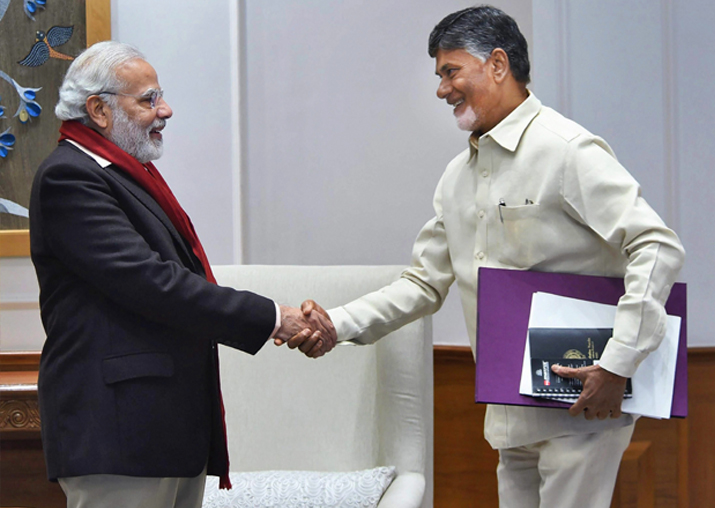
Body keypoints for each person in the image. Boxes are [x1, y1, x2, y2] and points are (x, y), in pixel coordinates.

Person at [301, 5, 685, 508]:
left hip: (585, 409)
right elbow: (422, 283)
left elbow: (656, 245)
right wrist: (337, 322)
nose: (442, 89)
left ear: (498, 64)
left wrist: (618, 364)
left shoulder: (566, 150)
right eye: (440, 75)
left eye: (450, 71)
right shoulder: (456, 177)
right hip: (509, 412)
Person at [29, 40, 334, 508]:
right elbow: (150, 282)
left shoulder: (124, 173)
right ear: (99, 110)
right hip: (119, 434)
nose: (165, 110)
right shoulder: (69, 177)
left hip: (162, 429)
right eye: (148, 100)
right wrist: (275, 317)